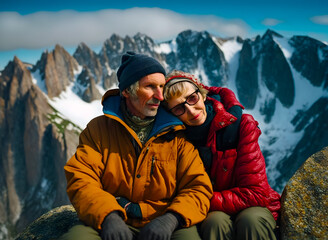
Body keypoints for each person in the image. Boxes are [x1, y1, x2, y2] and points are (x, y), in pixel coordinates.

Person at [59, 53, 213, 240]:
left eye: (162, 87)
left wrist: (172, 219)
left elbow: (198, 187)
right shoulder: (99, 130)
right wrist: (108, 216)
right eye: (149, 87)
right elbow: (81, 178)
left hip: (166, 221)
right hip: (115, 218)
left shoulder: (177, 134)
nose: (159, 96)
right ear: (126, 92)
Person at [163, 70, 281, 240]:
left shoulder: (241, 125)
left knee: (252, 220)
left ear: (202, 95)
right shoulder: (177, 141)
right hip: (212, 211)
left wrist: (200, 200)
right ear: (172, 114)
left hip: (251, 204)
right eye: (179, 108)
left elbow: (257, 193)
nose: (190, 109)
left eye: (192, 98)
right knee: (215, 222)